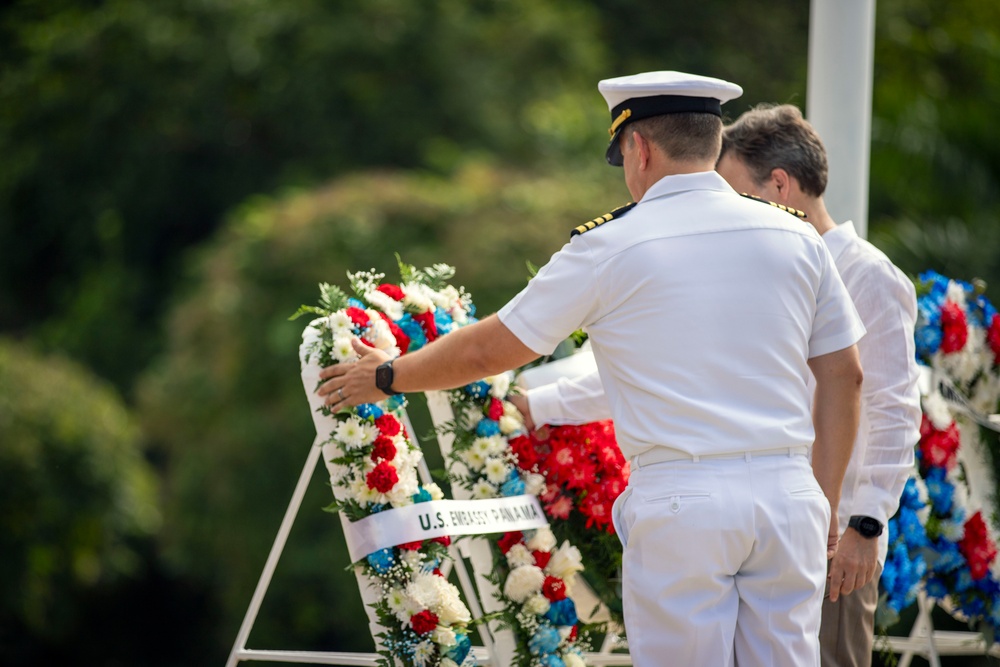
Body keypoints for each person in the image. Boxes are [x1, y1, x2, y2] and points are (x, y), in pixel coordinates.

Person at [318, 71, 865, 666]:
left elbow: (488, 351)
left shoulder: (610, 246)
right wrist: (825, 501)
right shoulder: (796, 236)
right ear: (713, 143)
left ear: (640, 148)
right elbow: (846, 375)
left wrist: (389, 375)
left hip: (684, 502)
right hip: (790, 496)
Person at [514, 103, 921, 667]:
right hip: (780, 519)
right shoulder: (751, 260)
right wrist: (540, 403)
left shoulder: (867, 274)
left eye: (732, 188)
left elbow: (892, 408)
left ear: (779, 185)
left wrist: (865, 522)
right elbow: (661, 376)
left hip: (835, 531)